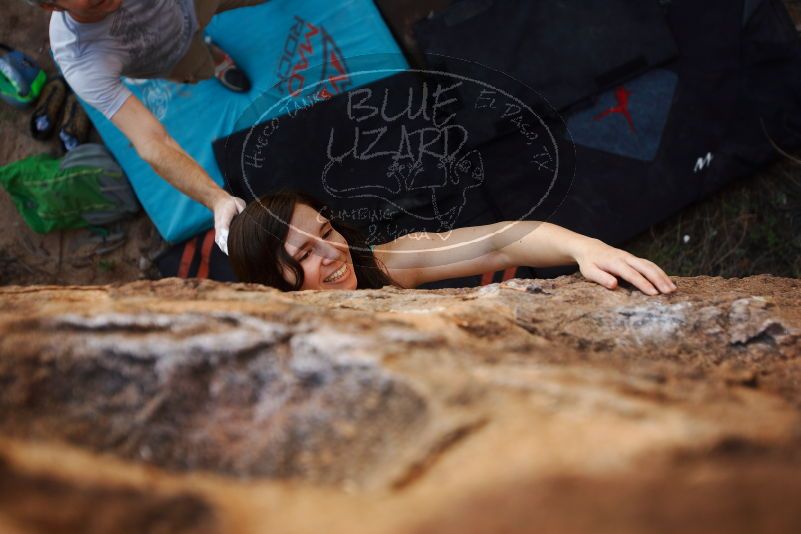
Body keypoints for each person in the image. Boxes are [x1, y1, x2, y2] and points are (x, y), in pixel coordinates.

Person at [27, 0, 269, 253]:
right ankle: (214, 57)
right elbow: (153, 142)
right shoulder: (80, 58)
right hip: (175, 56)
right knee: (199, 67)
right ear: (50, 6)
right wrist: (216, 198)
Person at [228, 191, 678, 295]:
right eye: (305, 255)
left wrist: (586, 248)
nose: (333, 254)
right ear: (273, 281)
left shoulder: (382, 264)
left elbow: (497, 243)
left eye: (327, 233)